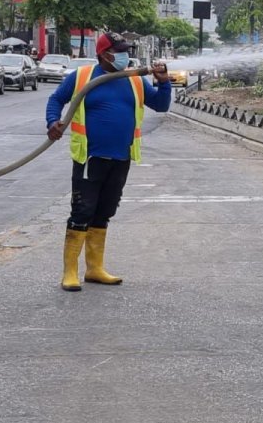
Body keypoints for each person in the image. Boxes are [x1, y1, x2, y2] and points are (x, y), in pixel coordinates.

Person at [46, 32, 171, 292]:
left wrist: (163, 83)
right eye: (119, 51)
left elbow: (160, 105)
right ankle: (70, 272)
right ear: (104, 55)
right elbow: (56, 99)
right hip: (90, 158)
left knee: (105, 212)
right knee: (82, 211)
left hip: (120, 158)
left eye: (126, 50)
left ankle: (94, 269)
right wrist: (53, 122)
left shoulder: (134, 81)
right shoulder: (81, 78)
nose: (125, 56)